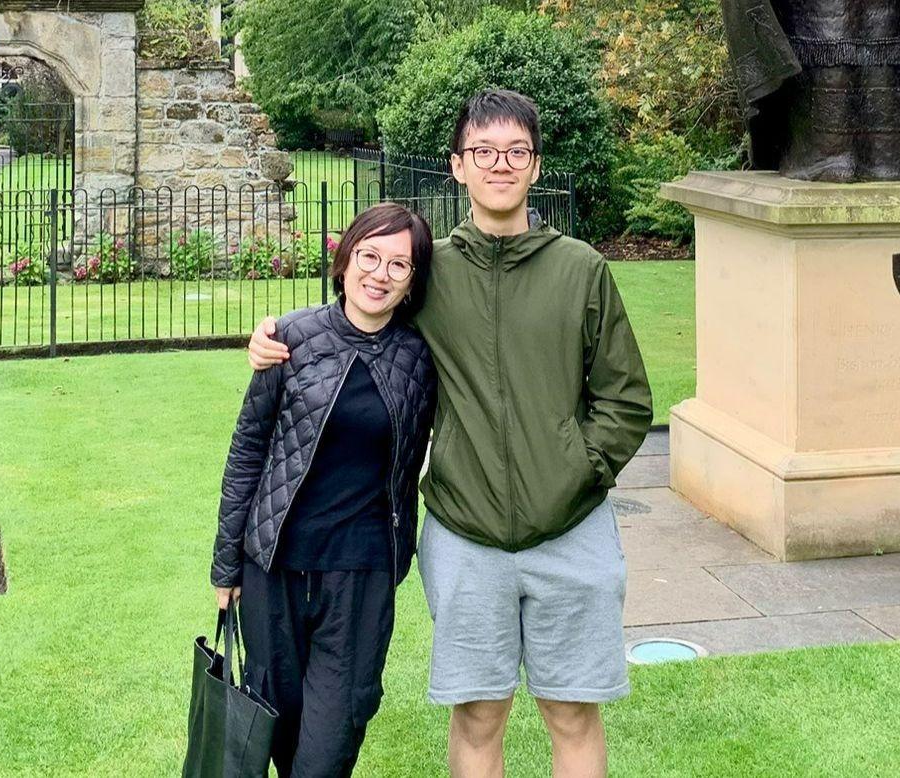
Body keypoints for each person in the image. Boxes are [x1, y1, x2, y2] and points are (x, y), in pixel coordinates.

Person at [247, 90, 652, 778]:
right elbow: (358, 309)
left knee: (572, 712)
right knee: (478, 714)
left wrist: (576, 470)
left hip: (574, 530)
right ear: (457, 166)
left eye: (515, 152)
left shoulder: (580, 268)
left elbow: (625, 398)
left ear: (535, 166)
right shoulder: (432, 270)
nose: (501, 165)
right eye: (484, 152)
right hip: (464, 535)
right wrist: (277, 335)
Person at [211, 202, 437, 777]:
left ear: (413, 282)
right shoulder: (288, 338)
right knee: (277, 732)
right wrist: (225, 567)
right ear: (344, 259)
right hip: (275, 568)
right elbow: (247, 453)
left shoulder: (420, 358)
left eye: (399, 265)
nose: (379, 275)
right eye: (370, 256)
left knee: (328, 746)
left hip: (361, 576)